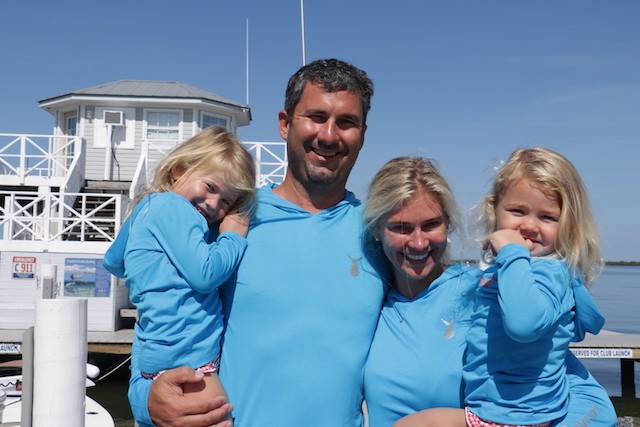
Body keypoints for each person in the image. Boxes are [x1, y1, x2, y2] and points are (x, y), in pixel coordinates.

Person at [128, 58, 387, 427]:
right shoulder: (227, 219)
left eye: (346, 122)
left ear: (362, 133)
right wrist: (146, 401)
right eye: (316, 117)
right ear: (284, 123)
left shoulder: (382, 235)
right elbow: (158, 320)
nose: (329, 136)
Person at [362, 155, 616, 427]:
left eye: (431, 225)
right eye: (400, 228)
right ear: (377, 229)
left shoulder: (494, 292)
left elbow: (597, 411)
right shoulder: (366, 303)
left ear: (448, 224)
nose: (419, 242)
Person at [103, 126, 256, 425]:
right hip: (190, 356)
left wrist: (151, 270)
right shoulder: (177, 208)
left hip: (156, 352)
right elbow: (205, 275)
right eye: (210, 187)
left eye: (226, 201)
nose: (213, 204)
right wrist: (233, 236)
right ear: (179, 169)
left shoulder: (144, 209)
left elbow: (113, 262)